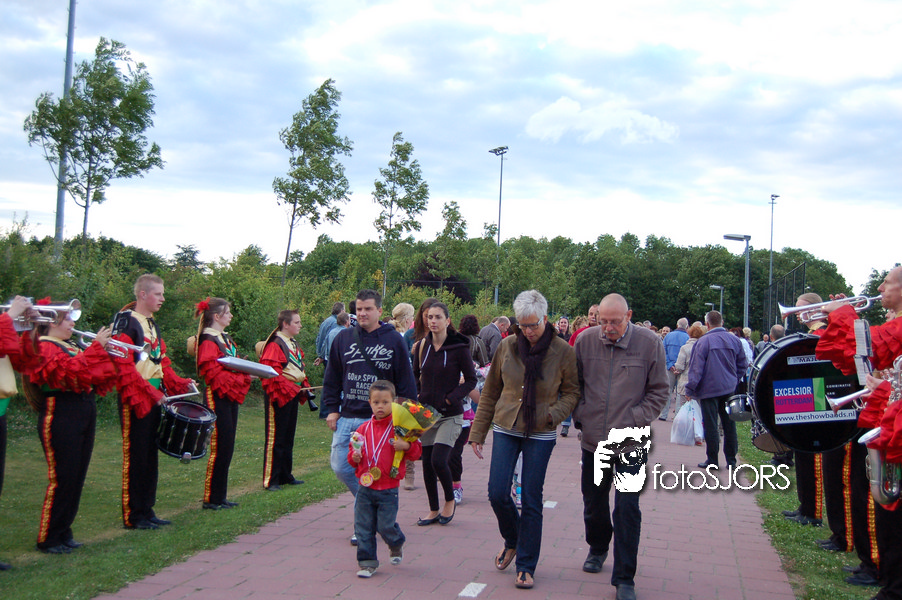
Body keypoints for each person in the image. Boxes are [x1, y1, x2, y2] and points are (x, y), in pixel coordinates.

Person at [469, 290, 579, 590]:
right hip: (506, 425)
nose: (528, 331)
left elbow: (572, 392)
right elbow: (491, 391)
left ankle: (526, 565)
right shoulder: (507, 346)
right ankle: (513, 539)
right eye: (523, 325)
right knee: (497, 492)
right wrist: (478, 432)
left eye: (534, 325)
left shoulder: (562, 350)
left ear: (546, 318)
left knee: (531, 497)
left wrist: (553, 415)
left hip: (541, 431)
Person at [573, 293, 667, 600]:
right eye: (603, 321)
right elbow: (573, 385)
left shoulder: (649, 343)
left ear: (629, 316)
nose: (608, 328)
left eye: (615, 321)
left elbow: (659, 390)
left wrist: (636, 418)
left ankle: (625, 577)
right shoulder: (585, 342)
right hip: (594, 441)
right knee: (594, 502)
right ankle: (598, 547)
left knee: (627, 508)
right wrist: (581, 415)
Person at [322, 289, 417, 544]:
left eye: (368, 309)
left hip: (380, 421)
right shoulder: (343, 338)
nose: (362, 313)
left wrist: (406, 418)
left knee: (374, 469)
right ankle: (371, 507)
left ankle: (363, 522)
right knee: (341, 466)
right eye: (359, 309)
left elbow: (405, 380)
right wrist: (331, 409)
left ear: (379, 311)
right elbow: (332, 377)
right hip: (348, 415)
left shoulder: (393, 339)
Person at [23, 301, 118, 553]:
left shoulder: (72, 346)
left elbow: (94, 374)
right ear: (52, 323)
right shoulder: (44, 346)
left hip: (83, 408)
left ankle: (64, 531)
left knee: (77, 475)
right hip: (61, 411)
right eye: (67, 319)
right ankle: (49, 537)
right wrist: (96, 348)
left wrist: (105, 353)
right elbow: (67, 373)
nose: (73, 323)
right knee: (62, 477)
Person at [112, 274, 194, 530]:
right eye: (158, 294)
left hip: (153, 396)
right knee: (136, 455)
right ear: (143, 295)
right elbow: (124, 368)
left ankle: (147, 509)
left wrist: (180, 382)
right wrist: (151, 392)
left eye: (162, 293)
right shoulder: (127, 323)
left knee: (149, 454)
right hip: (136, 396)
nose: (163, 298)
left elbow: (161, 362)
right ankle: (134, 515)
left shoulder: (151, 323)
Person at [349, 380, 422, 578]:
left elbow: (416, 452)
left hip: (388, 489)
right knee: (363, 526)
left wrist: (406, 446)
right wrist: (355, 457)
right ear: (370, 403)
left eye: (385, 402)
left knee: (385, 526)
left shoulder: (400, 429)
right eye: (376, 402)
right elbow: (352, 456)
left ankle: (396, 542)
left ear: (394, 402)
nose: (380, 406)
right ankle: (367, 563)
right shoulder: (362, 429)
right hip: (365, 487)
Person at [412, 302, 476, 526]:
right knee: (427, 464)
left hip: (450, 414)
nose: (433, 321)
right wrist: (418, 395)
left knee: (439, 460)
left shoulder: (459, 347)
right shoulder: (422, 346)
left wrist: (451, 398)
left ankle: (450, 500)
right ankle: (433, 509)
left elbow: (471, 380)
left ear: (447, 321)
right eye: (430, 317)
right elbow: (415, 374)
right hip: (426, 414)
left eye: (438, 317)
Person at [193, 297, 251, 509]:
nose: (231, 316)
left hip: (229, 394)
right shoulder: (209, 339)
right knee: (220, 445)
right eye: (227, 313)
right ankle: (212, 498)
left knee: (228, 445)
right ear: (217, 316)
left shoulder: (223, 338)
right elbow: (212, 373)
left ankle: (220, 496)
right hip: (218, 395)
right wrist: (243, 377)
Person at [684, 310, 747, 469]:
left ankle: (712, 460)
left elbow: (696, 369)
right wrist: (734, 379)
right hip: (728, 388)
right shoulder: (734, 340)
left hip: (708, 389)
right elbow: (743, 364)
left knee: (711, 425)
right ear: (722, 322)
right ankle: (731, 461)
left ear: (707, 324)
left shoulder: (703, 342)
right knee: (729, 425)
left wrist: (690, 389)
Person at [259, 309, 312, 490]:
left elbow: (297, 368)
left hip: (292, 392)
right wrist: (290, 387)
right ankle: (271, 479)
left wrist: (303, 384)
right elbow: (270, 374)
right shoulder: (275, 344)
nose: (300, 325)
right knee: (277, 437)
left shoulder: (292, 343)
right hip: (280, 394)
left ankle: (285, 475)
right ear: (286, 324)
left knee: (288, 436)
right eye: (297, 322)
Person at [659, 318, 690, 421]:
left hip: (669, 368)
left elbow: (663, 351)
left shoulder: (668, 336)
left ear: (677, 325)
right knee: (679, 393)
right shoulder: (687, 338)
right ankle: (677, 416)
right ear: (687, 327)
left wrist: (670, 364)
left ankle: (663, 414)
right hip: (682, 369)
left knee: (667, 391)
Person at [672, 323, 705, 418]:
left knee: (681, 411)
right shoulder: (703, 347)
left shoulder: (685, 348)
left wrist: (677, 370)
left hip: (685, 383)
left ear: (689, 334)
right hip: (699, 384)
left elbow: (680, 366)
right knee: (698, 412)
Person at [314, 302, 345, 367]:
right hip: (329, 357)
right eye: (344, 311)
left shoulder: (326, 321)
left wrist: (320, 354)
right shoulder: (335, 323)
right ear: (342, 311)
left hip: (324, 356)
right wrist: (322, 356)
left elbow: (318, 338)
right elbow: (327, 341)